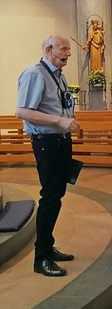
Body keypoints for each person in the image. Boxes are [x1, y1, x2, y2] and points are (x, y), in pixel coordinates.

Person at [16, 34, 80, 277]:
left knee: (57, 195)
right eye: (64, 49)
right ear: (48, 49)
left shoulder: (57, 74)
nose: (68, 54)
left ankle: (48, 247)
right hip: (46, 142)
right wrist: (60, 120)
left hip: (60, 140)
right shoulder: (35, 73)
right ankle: (41, 258)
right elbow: (22, 111)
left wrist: (67, 119)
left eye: (68, 50)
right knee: (50, 197)